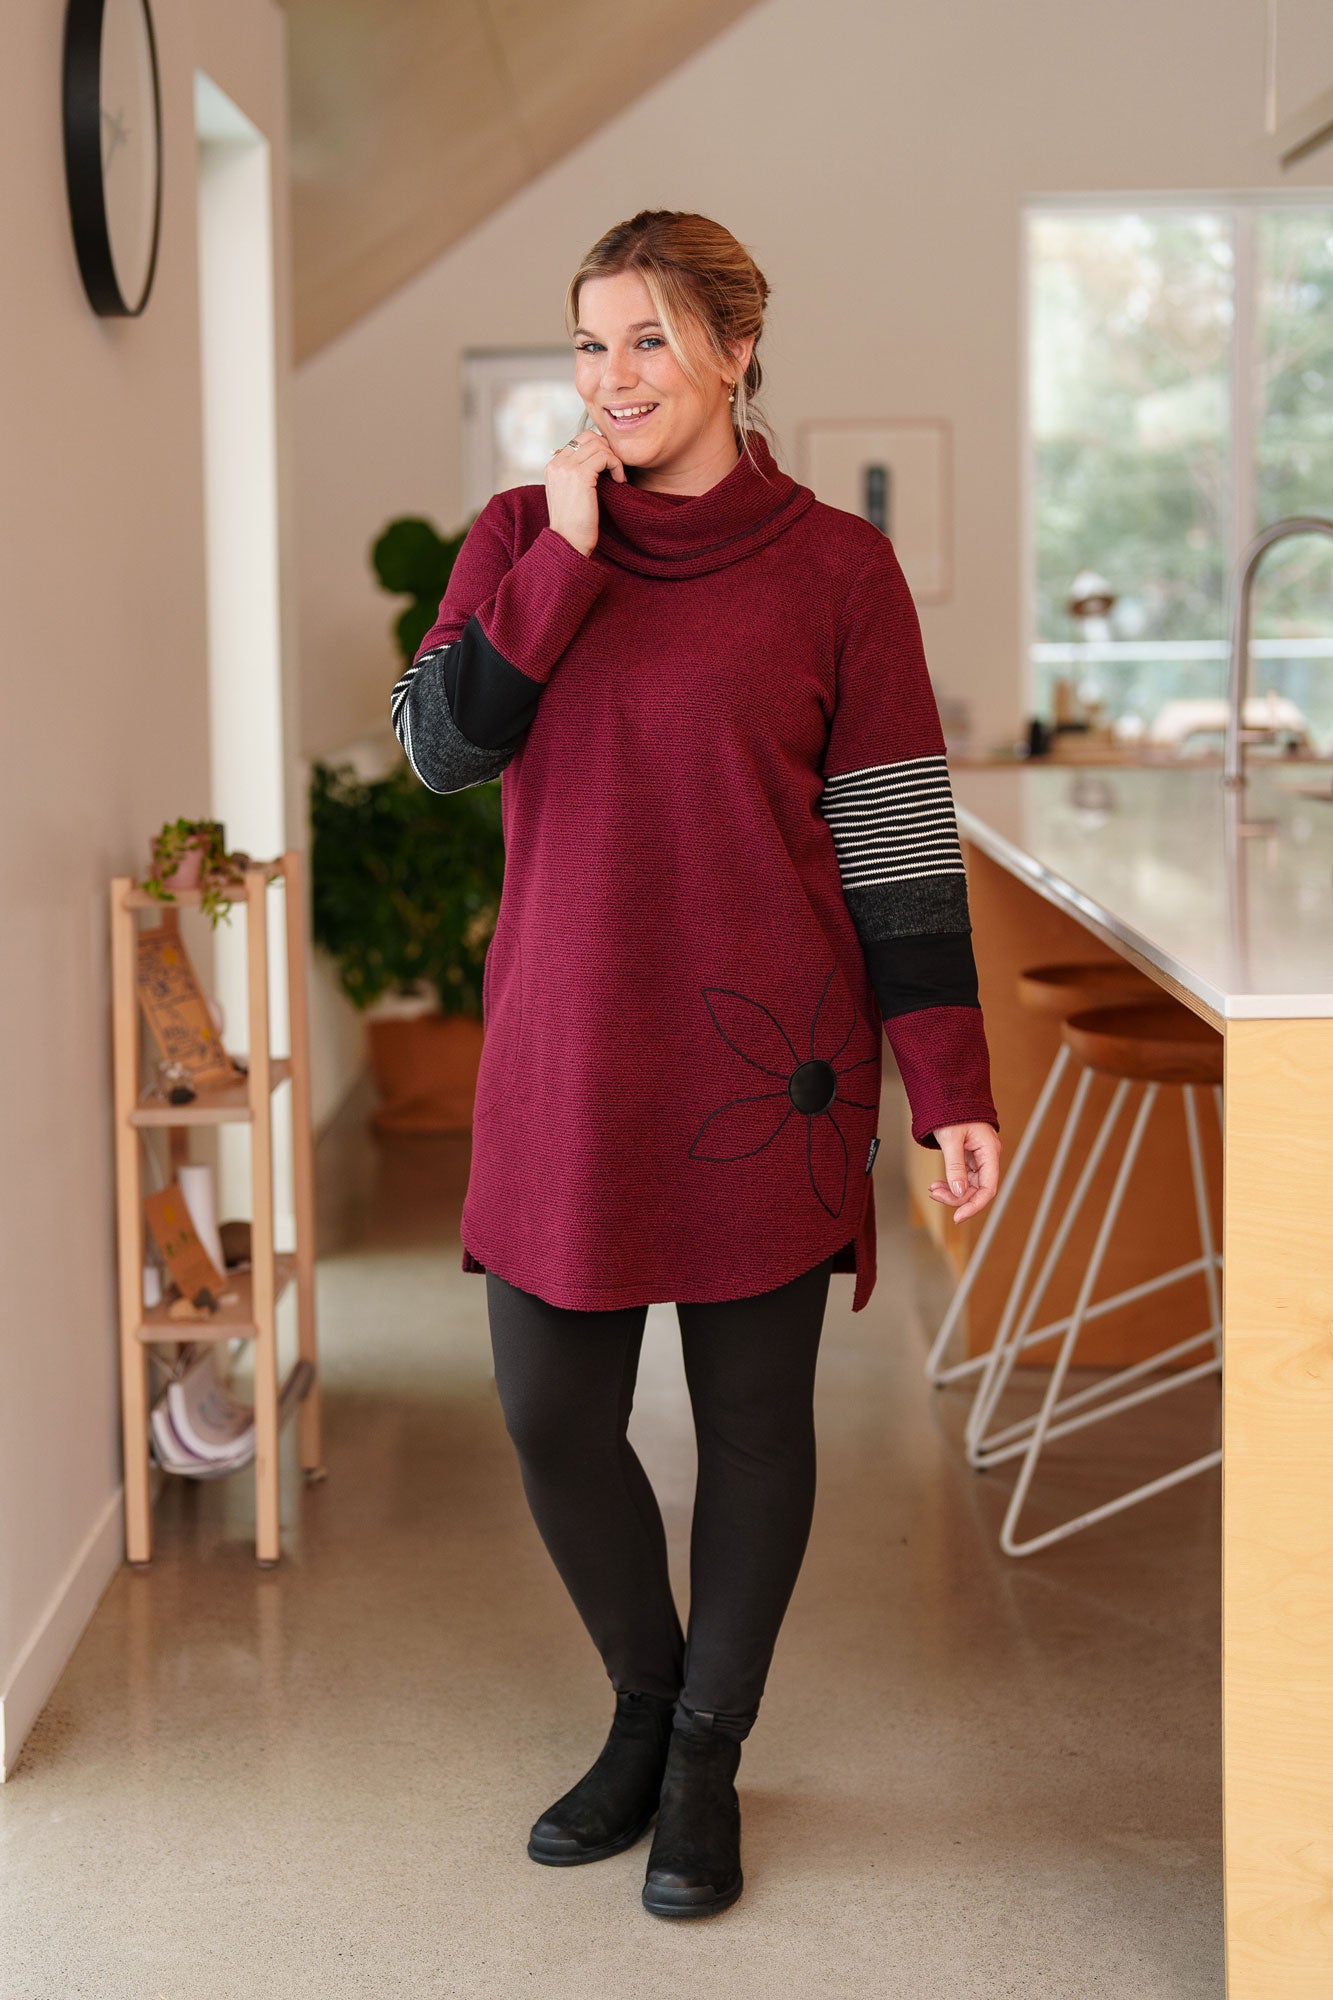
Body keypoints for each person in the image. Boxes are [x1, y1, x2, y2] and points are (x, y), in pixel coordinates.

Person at [390, 209, 1001, 1920]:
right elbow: (440, 750)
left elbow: (894, 842)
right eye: (590, 343)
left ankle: (706, 1756)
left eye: (648, 337)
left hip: (764, 1063)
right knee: (549, 1413)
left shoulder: (836, 572)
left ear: (735, 349)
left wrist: (948, 1083)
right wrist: (566, 554)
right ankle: (643, 1705)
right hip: (569, 1051)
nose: (614, 375)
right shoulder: (522, 533)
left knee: (749, 1428)